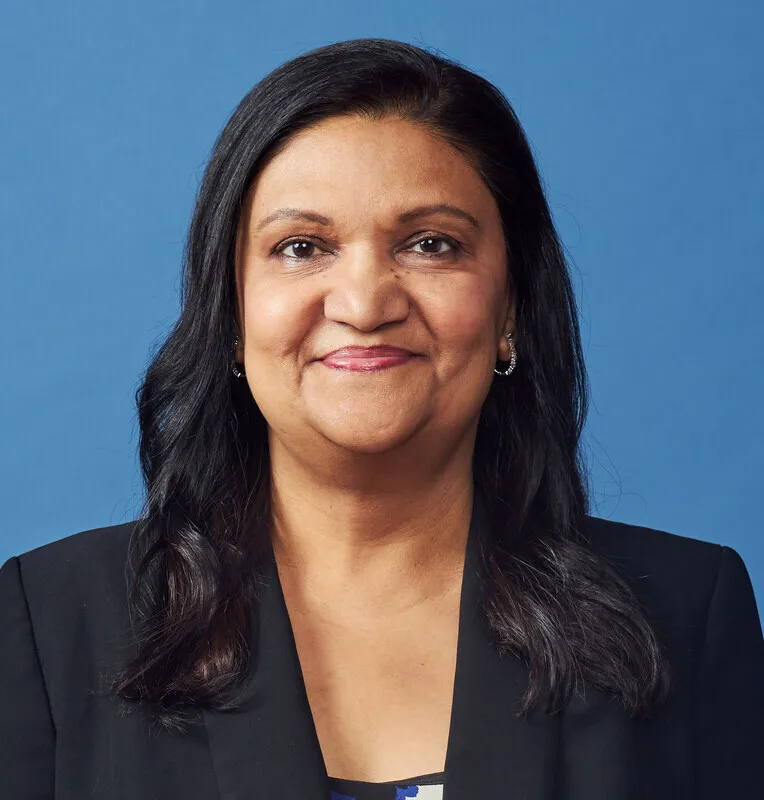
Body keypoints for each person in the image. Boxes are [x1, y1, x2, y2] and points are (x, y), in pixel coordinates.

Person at [1, 37, 762, 800]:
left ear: (511, 308)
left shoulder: (686, 614)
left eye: (431, 245)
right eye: (301, 248)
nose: (364, 304)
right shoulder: (51, 622)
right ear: (231, 313)